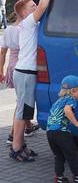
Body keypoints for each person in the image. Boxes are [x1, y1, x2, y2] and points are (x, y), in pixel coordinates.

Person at [9, 0, 54, 162]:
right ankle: (16, 147)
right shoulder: (28, 23)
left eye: (34, 5)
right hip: (26, 73)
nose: (35, 7)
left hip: (25, 72)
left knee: (26, 111)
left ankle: (21, 144)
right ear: (24, 13)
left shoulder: (28, 23)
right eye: (31, 7)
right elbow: (43, 6)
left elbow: (42, 3)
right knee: (23, 112)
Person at [0, 13, 39, 145]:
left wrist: (1, 70)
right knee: (21, 103)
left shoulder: (8, 30)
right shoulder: (25, 28)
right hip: (22, 65)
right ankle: (13, 136)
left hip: (12, 66)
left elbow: (3, 51)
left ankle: (27, 128)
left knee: (21, 101)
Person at [47, 75, 78, 183]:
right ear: (73, 90)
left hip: (50, 132)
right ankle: (77, 176)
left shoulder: (59, 100)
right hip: (61, 132)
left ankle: (59, 177)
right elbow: (68, 111)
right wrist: (76, 123)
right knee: (71, 154)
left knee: (59, 155)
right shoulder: (71, 99)